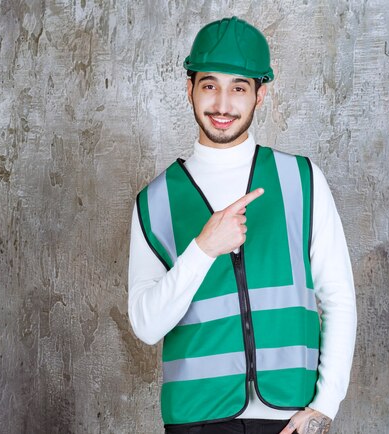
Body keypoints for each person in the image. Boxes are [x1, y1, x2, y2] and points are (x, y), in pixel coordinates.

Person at [127, 16, 356, 434]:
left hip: (290, 419)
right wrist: (203, 249)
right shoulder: (154, 201)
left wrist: (323, 408)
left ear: (260, 94)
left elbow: (338, 297)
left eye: (239, 88)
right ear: (189, 87)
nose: (222, 105)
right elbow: (145, 325)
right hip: (196, 419)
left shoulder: (301, 181)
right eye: (210, 85)